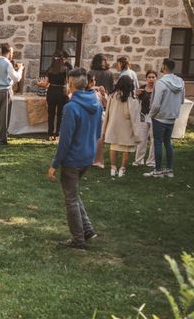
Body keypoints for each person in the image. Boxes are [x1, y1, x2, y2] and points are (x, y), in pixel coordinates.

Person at [48, 68, 102, 250]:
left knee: (70, 198)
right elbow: (98, 131)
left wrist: (55, 164)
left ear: (71, 85)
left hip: (73, 159)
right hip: (88, 155)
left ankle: (78, 239)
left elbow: (65, 141)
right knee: (73, 194)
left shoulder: (71, 108)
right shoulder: (96, 101)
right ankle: (87, 230)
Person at [144, 59, 185, 178]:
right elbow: (182, 100)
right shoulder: (181, 82)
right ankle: (169, 169)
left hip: (160, 117)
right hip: (172, 116)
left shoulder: (161, 83)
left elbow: (156, 104)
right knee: (167, 142)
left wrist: (151, 115)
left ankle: (158, 170)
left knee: (157, 143)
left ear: (164, 67)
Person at [101, 75, 141, 177]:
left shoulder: (113, 96)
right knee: (125, 149)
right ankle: (122, 168)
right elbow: (133, 115)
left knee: (113, 147)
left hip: (114, 125)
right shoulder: (131, 99)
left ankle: (113, 168)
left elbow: (108, 112)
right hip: (126, 127)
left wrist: (105, 128)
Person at [0, 44, 23, 145]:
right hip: (6, 91)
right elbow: (16, 78)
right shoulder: (7, 63)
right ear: (8, 52)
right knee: (4, 116)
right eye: (12, 53)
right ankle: (1, 139)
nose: (12, 55)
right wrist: (20, 69)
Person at [41, 50, 72, 141]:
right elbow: (69, 82)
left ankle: (50, 133)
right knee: (60, 114)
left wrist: (40, 84)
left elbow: (46, 83)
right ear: (62, 59)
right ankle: (57, 134)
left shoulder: (50, 68)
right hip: (62, 92)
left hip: (51, 92)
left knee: (51, 114)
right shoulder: (65, 69)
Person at [133, 70, 157, 167]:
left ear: (156, 78)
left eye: (153, 77)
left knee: (153, 139)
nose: (151, 79)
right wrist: (136, 95)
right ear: (146, 78)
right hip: (143, 115)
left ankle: (151, 161)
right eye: (149, 77)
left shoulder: (158, 89)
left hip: (154, 116)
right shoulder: (142, 88)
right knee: (142, 138)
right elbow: (136, 101)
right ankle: (139, 160)